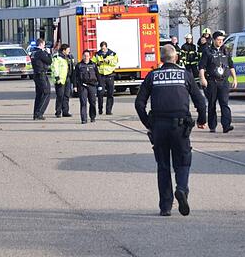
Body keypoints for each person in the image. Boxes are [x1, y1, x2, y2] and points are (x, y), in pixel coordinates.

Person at [135, 45, 207, 217]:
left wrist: (148, 124)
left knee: (163, 166)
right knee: (183, 162)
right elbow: (200, 101)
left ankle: (165, 207)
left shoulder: (152, 76)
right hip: (180, 127)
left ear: (161, 59)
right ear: (176, 58)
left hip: (159, 127)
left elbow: (139, 103)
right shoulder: (185, 75)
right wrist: (202, 120)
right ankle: (181, 189)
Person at [198, 30, 237, 133]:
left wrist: (234, 78)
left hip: (224, 81)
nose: (220, 42)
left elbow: (231, 65)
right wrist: (202, 78)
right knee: (212, 104)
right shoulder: (207, 51)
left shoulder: (226, 51)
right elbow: (201, 67)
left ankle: (226, 125)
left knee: (224, 103)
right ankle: (212, 125)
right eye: (218, 40)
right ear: (214, 40)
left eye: (222, 40)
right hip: (212, 81)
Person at [74, 50, 100, 123]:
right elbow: (75, 76)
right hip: (82, 86)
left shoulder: (94, 65)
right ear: (82, 56)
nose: (86, 57)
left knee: (92, 102)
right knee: (83, 102)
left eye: (87, 56)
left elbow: (98, 75)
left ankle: (92, 117)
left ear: (90, 56)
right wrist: (75, 86)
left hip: (92, 86)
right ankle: (84, 119)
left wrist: (100, 85)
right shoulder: (79, 65)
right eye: (84, 56)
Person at [94, 41, 118, 116]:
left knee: (110, 94)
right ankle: (100, 109)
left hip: (110, 75)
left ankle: (109, 110)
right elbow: (93, 62)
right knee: (100, 93)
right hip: (101, 76)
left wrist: (108, 61)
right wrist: (98, 63)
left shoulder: (113, 54)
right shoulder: (97, 54)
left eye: (104, 49)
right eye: (102, 49)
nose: (103, 50)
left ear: (106, 47)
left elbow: (115, 62)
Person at [31, 37, 52, 120]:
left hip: (36, 74)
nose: (44, 46)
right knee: (47, 93)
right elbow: (49, 61)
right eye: (44, 44)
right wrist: (49, 53)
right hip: (41, 74)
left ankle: (36, 113)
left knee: (39, 95)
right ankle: (39, 113)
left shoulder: (33, 52)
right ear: (41, 44)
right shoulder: (40, 53)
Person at [51, 44, 73, 118]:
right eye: (68, 50)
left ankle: (65, 111)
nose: (69, 51)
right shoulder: (57, 57)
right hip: (60, 79)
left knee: (66, 95)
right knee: (60, 96)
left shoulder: (69, 57)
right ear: (64, 50)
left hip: (67, 78)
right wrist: (57, 77)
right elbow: (54, 67)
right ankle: (58, 112)